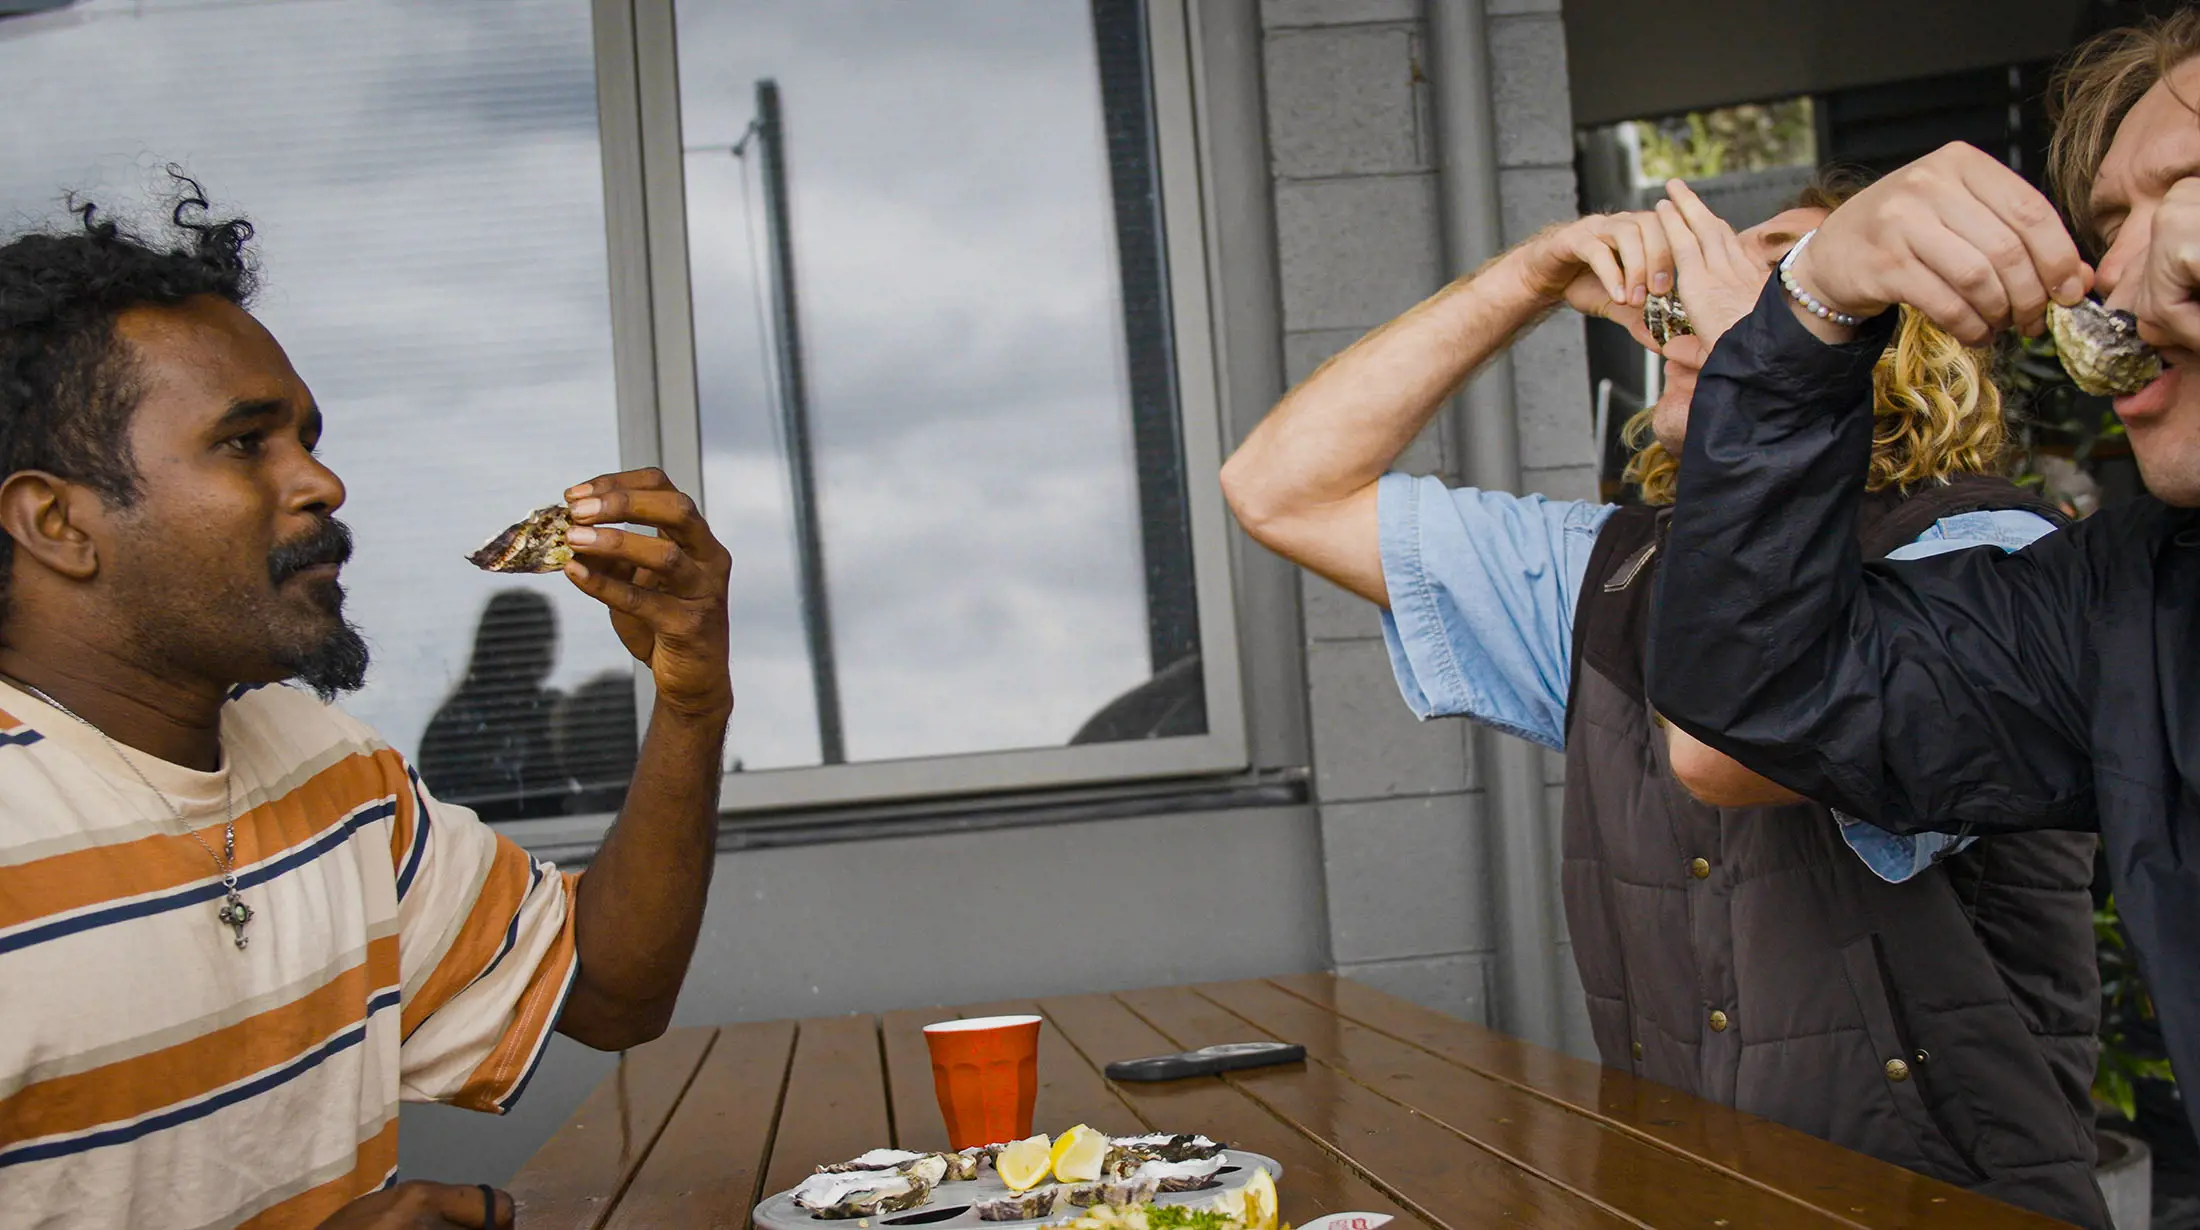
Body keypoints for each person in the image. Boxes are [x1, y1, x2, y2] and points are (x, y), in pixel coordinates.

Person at [1220, 177, 2107, 1224]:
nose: (1694, 303)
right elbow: (1280, 486)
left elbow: (1729, 744)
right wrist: (1530, 275)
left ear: (1895, 342)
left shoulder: (1990, 557)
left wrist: (1770, 366)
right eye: (1697, 284)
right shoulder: (1615, 573)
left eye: (1775, 280)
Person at [0, 182, 735, 1228]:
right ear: (57, 523)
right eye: (247, 443)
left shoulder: (327, 768)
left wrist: (690, 704)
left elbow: (611, 992)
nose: (324, 483)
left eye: (307, 437)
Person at [1643, 8, 2200, 1153]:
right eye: (2111, 221)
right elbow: (1767, 696)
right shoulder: (2119, 606)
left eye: (2186, 189)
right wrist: (1808, 309)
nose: (2115, 278)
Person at [419, 590, 569, 821]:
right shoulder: (455, 727)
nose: (540, 652)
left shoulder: (553, 714)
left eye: (545, 640)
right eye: (528, 641)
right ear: (496, 645)